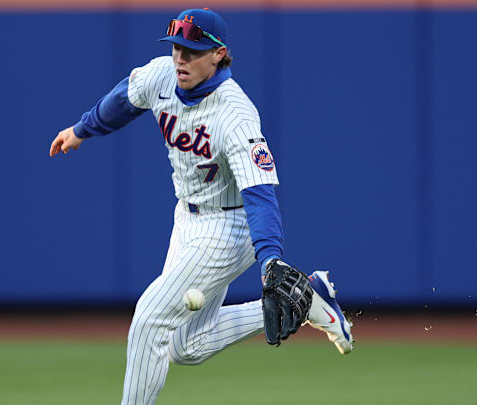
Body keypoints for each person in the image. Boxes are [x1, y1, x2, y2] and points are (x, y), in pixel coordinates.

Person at [49, 8, 353, 405]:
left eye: (192, 51)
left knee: (149, 319)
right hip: (187, 218)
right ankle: (310, 299)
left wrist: (270, 262)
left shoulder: (235, 113)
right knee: (184, 346)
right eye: (177, 47)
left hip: (231, 226)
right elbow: (125, 97)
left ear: (218, 55)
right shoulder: (162, 75)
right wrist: (81, 129)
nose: (180, 59)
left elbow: (260, 193)